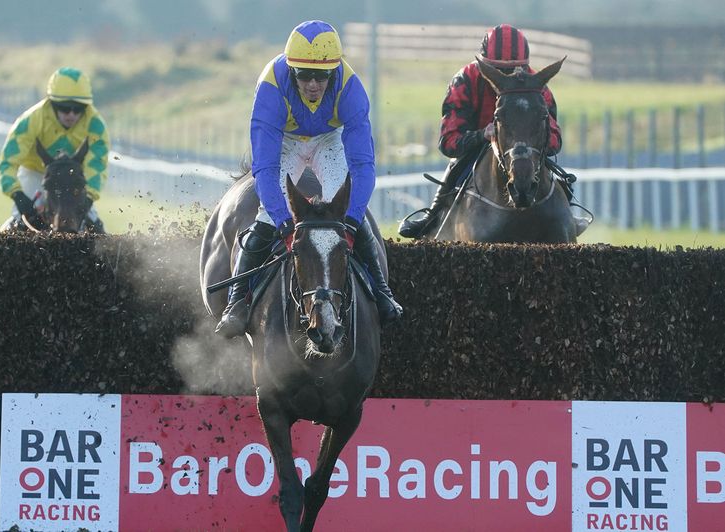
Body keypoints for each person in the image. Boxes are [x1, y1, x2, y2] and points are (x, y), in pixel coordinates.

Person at [215, 20, 403, 339]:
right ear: (292, 71)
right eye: (304, 75)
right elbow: (264, 169)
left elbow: (363, 167)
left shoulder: (351, 88)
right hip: (285, 141)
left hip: (329, 140)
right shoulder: (271, 88)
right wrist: (282, 222)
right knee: (264, 215)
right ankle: (236, 304)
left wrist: (353, 221)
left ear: (334, 72)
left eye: (322, 76)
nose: (313, 84)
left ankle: (383, 293)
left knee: (344, 214)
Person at [398, 24, 563, 238]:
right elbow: (449, 142)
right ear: (486, 68)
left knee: (551, 173)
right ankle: (433, 216)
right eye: (499, 71)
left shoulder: (536, 84)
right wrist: (483, 134)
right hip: (477, 147)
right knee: (457, 167)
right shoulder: (465, 79)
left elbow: (554, 143)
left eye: (514, 70)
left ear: (524, 67)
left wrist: (532, 137)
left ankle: (567, 212)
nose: (506, 77)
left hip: (526, 150)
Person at [0, 67, 109, 233]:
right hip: (36, 174)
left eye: (78, 109)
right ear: (52, 103)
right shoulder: (31, 120)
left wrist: (89, 197)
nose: (71, 114)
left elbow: (97, 168)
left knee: (94, 224)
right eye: (64, 108)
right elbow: (6, 164)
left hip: (73, 180)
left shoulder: (96, 125)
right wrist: (18, 195)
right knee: (19, 221)